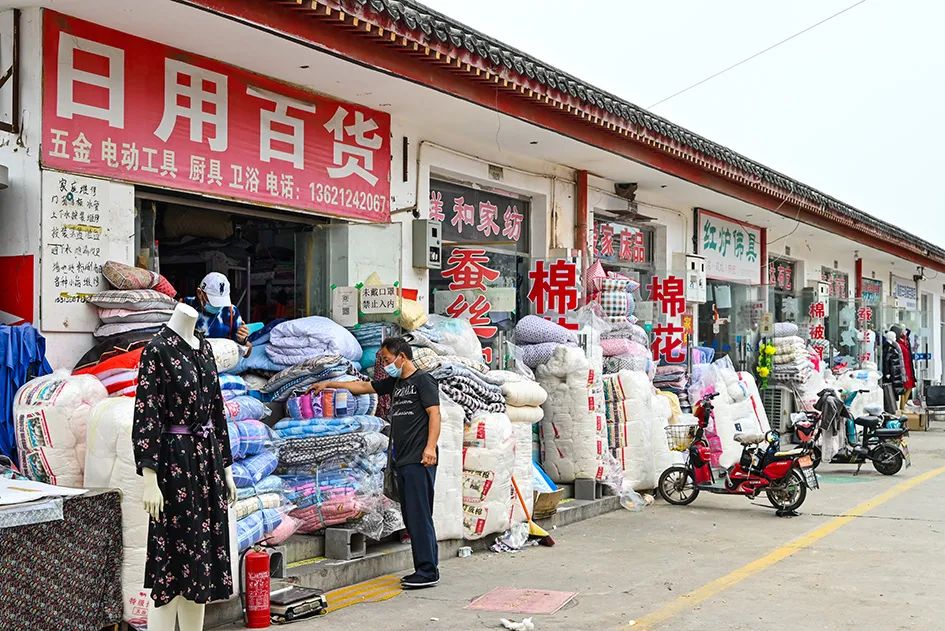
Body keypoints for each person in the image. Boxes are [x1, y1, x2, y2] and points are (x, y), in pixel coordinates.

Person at [313, 337, 441, 589]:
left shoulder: (423, 381)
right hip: (402, 460)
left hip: (419, 459)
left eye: (386, 358)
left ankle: (428, 571)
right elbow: (363, 386)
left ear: (401, 356)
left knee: (419, 515)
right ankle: (425, 568)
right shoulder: (396, 383)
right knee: (412, 515)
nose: (384, 363)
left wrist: (429, 448)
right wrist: (329, 384)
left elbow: (434, 414)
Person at [184, 272, 251, 352]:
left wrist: (243, 341)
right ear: (199, 293)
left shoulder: (231, 311)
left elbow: (247, 351)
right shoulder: (186, 305)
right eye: (214, 301)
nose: (219, 306)